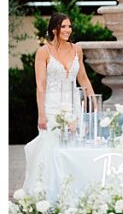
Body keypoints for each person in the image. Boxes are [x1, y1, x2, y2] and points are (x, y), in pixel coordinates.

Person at [23, 13, 97, 190]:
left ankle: (71, 188)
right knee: (50, 148)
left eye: (69, 26)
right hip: (52, 106)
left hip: (73, 105)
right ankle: (47, 190)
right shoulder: (43, 52)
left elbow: (84, 79)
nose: (68, 30)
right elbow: (40, 85)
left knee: (73, 146)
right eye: (63, 26)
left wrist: (94, 101)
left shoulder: (76, 49)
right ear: (54, 29)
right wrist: (41, 114)